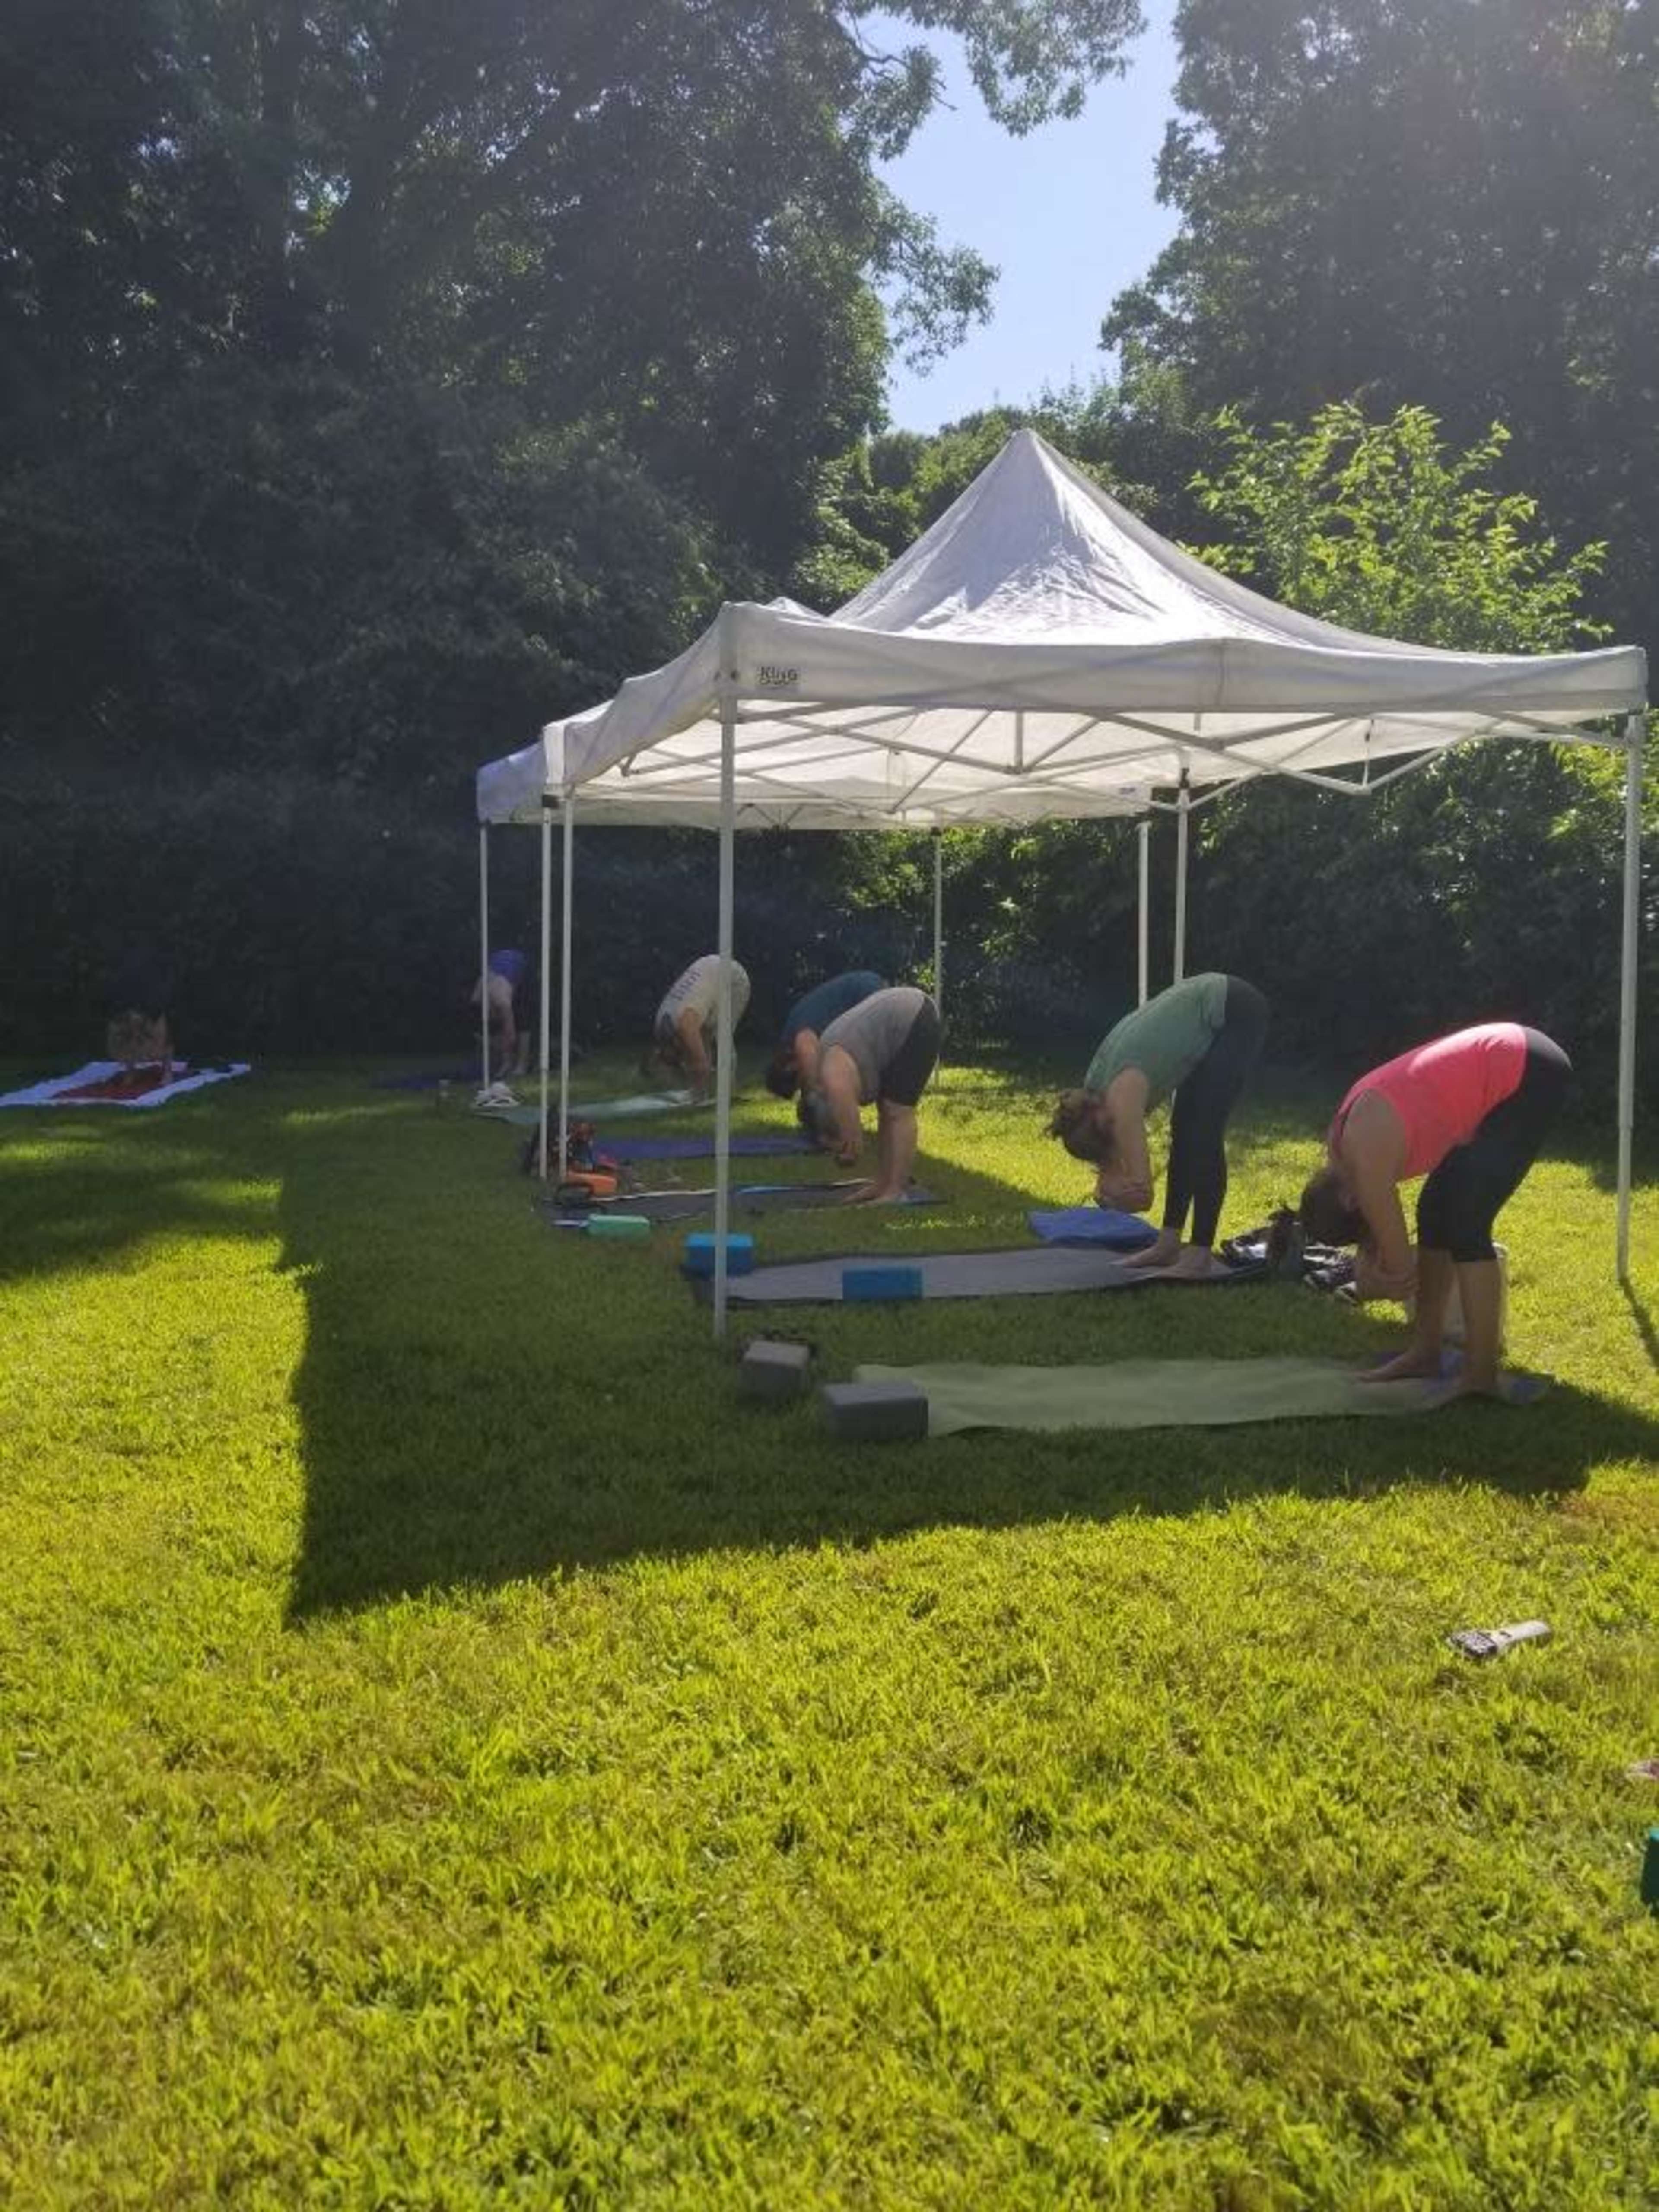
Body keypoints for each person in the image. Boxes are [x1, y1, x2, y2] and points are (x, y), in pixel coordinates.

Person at [1299, 1023, 1570, 1397]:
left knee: (1465, 1225)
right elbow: (1381, 1251)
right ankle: (1426, 1353)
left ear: (1351, 1202)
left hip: (1526, 1070)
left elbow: (1401, 1275)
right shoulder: (1343, 1148)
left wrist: (1379, 1281)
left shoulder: (1365, 1165)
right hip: (1511, 1060)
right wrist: (1373, 1270)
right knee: (1434, 1213)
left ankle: (1480, 1376)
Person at [1048, 973, 1269, 1278]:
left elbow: (1143, 1195)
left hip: (1236, 1010)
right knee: (1185, 1132)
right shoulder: (1093, 1092)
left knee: (1203, 1135)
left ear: (1102, 1125)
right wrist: (1110, 1181)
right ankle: (1168, 1245)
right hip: (1213, 1010)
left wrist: (1117, 1193)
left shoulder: (1120, 1104)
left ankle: (1199, 1256)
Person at [801, 984, 941, 1203]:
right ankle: (884, 1184)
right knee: (887, 1109)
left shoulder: (834, 1083)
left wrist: (848, 1148)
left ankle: (895, 1191)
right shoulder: (829, 1073)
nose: (831, 1150)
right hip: (900, 1017)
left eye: (830, 1143)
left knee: (898, 1111)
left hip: (915, 1016)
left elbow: (854, 1145)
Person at [764, 969, 886, 1099]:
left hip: (863, 993)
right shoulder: (793, 1033)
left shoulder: (799, 1039)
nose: (801, 1084)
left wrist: (810, 1095)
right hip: (867, 985)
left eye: (799, 1084)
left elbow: (809, 1057)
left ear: (789, 1067)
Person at [645, 954, 751, 1096]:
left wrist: (697, 1092)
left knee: (721, 1037)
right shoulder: (662, 1024)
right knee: (702, 1035)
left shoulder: (685, 1025)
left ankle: (728, 1093)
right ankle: (708, 1088)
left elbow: (700, 1062)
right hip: (710, 966)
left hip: (734, 979)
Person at [106, 945, 175, 1088]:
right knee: (127, 1037)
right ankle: (130, 1073)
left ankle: (167, 1072)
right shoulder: (122, 967)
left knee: (161, 1036)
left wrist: (153, 1008)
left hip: (153, 1000)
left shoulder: (156, 964)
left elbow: (163, 986)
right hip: (128, 1001)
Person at [472, 948, 531, 1082]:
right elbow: (480, 1034)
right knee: (496, 1029)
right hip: (498, 962)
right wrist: (490, 1042)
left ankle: (522, 1065)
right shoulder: (477, 998)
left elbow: (511, 1035)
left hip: (519, 963)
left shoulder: (502, 1001)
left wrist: (502, 1046)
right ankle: (507, 1062)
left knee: (522, 1022)